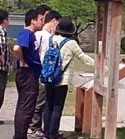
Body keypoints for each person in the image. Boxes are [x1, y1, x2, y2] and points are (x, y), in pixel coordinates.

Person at [42, 18, 94, 139]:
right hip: (62, 79)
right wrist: (99, 64)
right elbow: (83, 57)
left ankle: (46, 132)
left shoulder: (50, 39)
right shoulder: (71, 43)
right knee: (57, 106)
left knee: (48, 105)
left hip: (48, 77)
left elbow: (43, 56)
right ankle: (53, 133)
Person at [13, 8, 45, 139]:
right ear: (33, 21)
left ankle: (21, 134)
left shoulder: (32, 35)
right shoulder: (26, 33)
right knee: (26, 107)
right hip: (27, 74)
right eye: (41, 20)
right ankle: (19, 136)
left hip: (32, 73)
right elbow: (16, 48)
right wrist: (22, 60)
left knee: (28, 106)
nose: (43, 22)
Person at [30, 10, 61, 138]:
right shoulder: (43, 36)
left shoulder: (42, 35)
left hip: (42, 72)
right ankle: (34, 127)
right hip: (44, 72)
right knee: (40, 101)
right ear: (54, 21)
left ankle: (37, 127)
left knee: (42, 101)